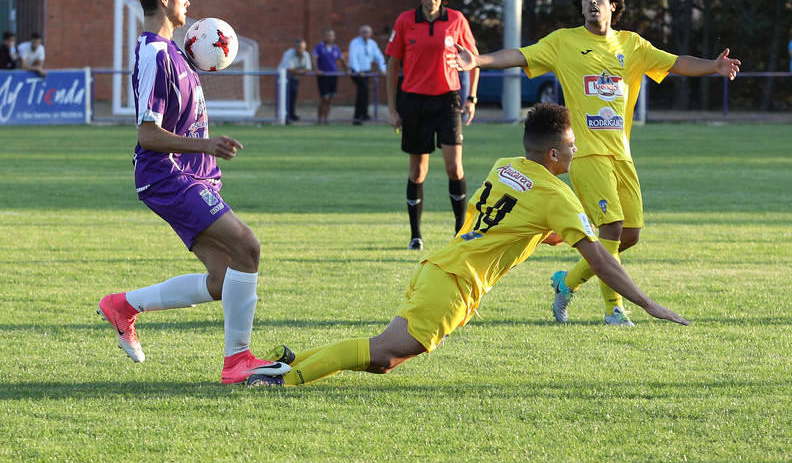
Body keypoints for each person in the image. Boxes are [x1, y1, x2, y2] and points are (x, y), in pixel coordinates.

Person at [246, 104, 689, 387]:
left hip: (440, 267)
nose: (575, 153)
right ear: (553, 155)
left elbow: (515, 222)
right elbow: (600, 261)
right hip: (456, 283)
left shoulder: (505, 167)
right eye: (571, 146)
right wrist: (648, 303)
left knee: (386, 359)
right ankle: (283, 380)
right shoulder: (557, 196)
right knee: (383, 351)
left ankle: (287, 362)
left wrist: (562, 233)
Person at [455, 0, 741, 325]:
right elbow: (520, 55)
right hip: (586, 153)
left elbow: (675, 62)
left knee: (630, 235)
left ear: (613, 4)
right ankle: (614, 310)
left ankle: (566, 282)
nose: (592, 2)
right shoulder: (564, 42)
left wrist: (713, 66)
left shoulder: (632, 45)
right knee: (612, 229)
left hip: (621, 152)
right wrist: (478, 60)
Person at [96, 0, 290, 384]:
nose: (189, 2)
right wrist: (206, 145)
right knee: (249, 248)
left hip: (193, 176)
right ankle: (237, 361)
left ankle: (123, 306)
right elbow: (148, 134)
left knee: (225, 279)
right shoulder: (152, 53)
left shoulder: (176, 55)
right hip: (168, 175)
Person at [385, 0, 479, 251]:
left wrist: (471, 97)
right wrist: (392, 108)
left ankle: (459, 231)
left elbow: (473, 59)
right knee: (417, 172)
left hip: (448, 101)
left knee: (454, 167)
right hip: (414, 101)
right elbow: (392, 66)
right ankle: (416, 236)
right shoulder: (404, 21)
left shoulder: (456, 20)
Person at [348, 25, 386, 125]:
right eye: (364, 32)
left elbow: (379, 57)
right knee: (363, 90)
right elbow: (353, 57)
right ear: (360, 33)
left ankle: (362, 115)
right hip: (356, 71)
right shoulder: (355, 42)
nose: (366, 34)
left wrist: (383, 69)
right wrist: (357, 70)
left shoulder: (372, 43)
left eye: (368, 32)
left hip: (366, 71)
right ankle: (358, 116)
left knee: (364, 92)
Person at [312, 28, 347, 124]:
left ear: (334, 37)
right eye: (328, 35)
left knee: (331, 98)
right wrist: (316, 70)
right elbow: (314, 58)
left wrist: (347, 70)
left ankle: (326, 119)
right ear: (324, 36)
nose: (329, 37)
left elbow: (342, 60)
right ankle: (320, 119)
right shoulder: (319, 47)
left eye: (331, 35)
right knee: (324, 98)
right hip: (323, 76)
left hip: (333, 75)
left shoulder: (336, 48)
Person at [278, 38, 312, 122]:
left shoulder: (306, 54)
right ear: (295, 47)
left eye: (302, 47)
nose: (300, 49)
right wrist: (301, 71)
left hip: (294, 78)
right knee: (285, 97)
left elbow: (308, 69)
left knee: (293, 96)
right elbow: (289, 69)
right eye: (298, 47)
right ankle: (285, 117)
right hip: (283, 78)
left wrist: (299, 72)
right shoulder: (289, 53)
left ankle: (291, 115)